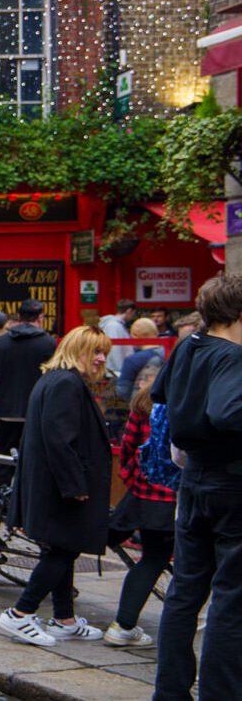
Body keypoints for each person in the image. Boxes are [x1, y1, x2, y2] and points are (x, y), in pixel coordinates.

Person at [153, 275, 242, 699]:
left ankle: (169, 691)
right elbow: (228, 414)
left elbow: (159, 391)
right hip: (232, 482)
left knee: (185, 590)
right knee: (231, 597)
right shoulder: (234, 356)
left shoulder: (188, 347)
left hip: (194, 480)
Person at [0, 325, 112, 647]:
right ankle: (20, 613)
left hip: (53, 485)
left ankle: (65, 619)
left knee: (63, 548)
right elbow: (59, 440)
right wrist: (74, 485)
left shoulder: (56, 379)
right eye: (96, 351)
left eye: (104, 352)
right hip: (61, 487)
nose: (101, 359)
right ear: (77, 351)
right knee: (62, 551)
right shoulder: (67, 383)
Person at [104, 360, 172, 649]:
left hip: (146, 499)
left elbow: (129, 447)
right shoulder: (187, 403)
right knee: (190, 564)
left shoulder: (143, 405)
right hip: (176, 499)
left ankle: (123, 624)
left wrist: (134, 481)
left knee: (152, 560)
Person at [0, 299, 55, 487]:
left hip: (5, 408)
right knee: (34, 455)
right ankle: (28, 497)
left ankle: (1, 498)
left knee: (3, 455)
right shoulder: (48, 343)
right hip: (36, 409)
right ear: (40, 317)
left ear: (18, 316)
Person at [116, 317, 165, 402]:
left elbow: (122, 391)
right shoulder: (169, 354)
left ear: (135, 335)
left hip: (140, 407)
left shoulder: (132, 360)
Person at [101, 298, 136, 375]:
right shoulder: (114, 326)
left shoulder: (117, 325)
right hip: (115, 372)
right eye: (133, 313)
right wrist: (120, 371)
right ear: (129, 311)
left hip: (116, 371)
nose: (133, 316)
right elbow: (115, 349)